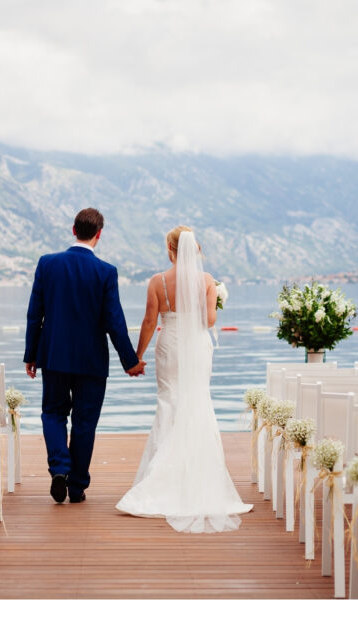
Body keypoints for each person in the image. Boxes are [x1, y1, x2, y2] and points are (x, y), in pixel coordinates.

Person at [115, 226, 252, 532]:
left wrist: (136, 357)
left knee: (168, 402)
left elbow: (150, 321)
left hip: (169, 345)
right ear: (196, 250)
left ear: (171, 250)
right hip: (196, 346)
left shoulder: (157, 281)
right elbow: (210, 320)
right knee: (198, 401)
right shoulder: (206, 281)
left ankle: (160, 478)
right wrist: (212, 300)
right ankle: (197, 478)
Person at [24, 207, 146, 504]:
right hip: (91, 360)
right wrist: (130, 361)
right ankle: (76, 486)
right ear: (99, 235)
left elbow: (34, 314)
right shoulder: (106, 272)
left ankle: (59, 469)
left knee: (52, 413)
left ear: (73, 229)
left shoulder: (47, 264)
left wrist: (31, 354)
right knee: (85, 422)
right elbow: (114, 321)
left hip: (53, 355)